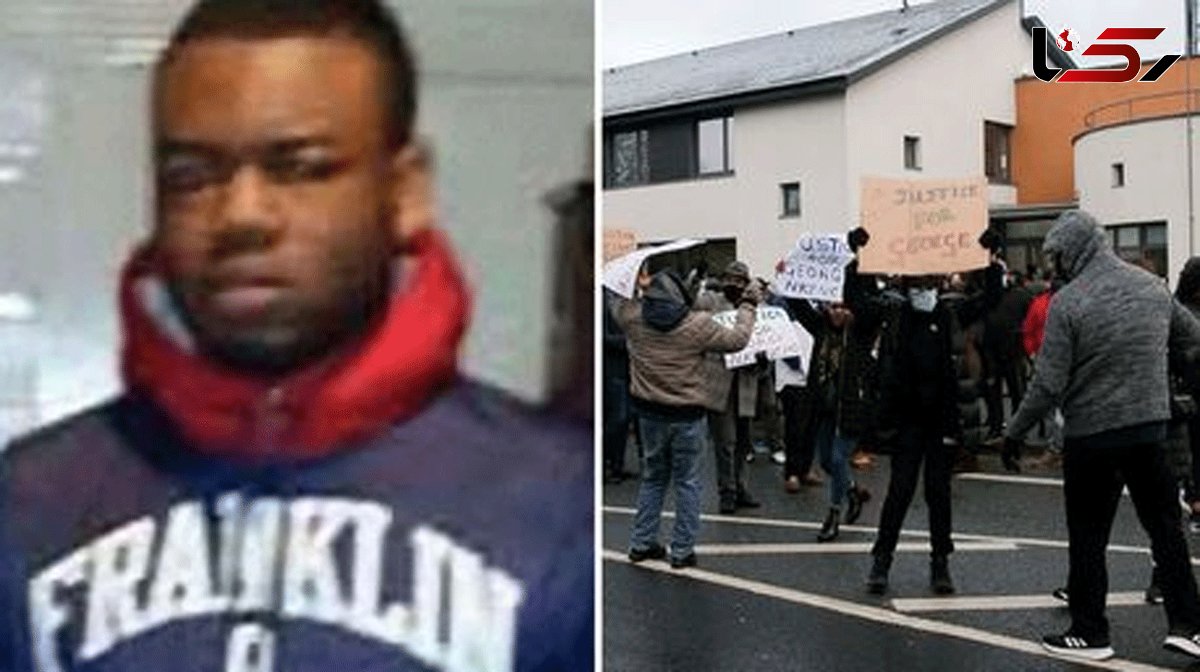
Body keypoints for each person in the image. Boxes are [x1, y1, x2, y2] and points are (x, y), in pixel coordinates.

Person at [0, 2, 593, 670]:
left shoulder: (571, 513)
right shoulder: (25, 507)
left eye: (301, 167)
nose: (242, 215)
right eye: (192, 176)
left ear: (405, 191)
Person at [1003, 210, 1200, 662]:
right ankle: (1189, 625)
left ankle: (1091, 633)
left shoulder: (1069, 303)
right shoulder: (1152, 287)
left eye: (1057, 255)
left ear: (1073, 251)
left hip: (1092, 437)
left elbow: (1048, 384)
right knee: (1166, 531)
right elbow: (1192, 336)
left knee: (1089, 537)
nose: (1054, 264)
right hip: (1149, 430)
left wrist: (1014, 433)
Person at [862, 228, 1004, 596]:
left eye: (929, 281)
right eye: (917, 282)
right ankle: (882, 561)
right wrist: (857, 252)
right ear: (907, 285)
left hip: (943, 419)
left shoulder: (952, 312)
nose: (923, 288)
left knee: (938, 494)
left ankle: (940, 563)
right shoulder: (895, 315)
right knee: (899, 492)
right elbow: (857, 299)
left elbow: (991, 296)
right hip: (907, 422)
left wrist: (990, 254)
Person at [614, 269, 758, 569]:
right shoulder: (697, 325)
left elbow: (614, 299)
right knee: (687, 483)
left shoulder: (632, 318)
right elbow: (739, 339)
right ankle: (681, 551)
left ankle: (641, 543)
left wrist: (629, 280)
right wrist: (748, 305)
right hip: (688, 415)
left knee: (653, 479)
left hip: (649, 413)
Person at [782, 243, 876, 542]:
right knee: (825, 461)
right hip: (822, 407)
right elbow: (797, 304)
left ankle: (833, 514)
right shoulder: (820, 328)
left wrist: (857, 260)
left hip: (849, 407)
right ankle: (852, 492)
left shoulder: (860, 333)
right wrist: (787, 275)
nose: (838, 312)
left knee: (836, 459)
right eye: (833, 307)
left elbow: (865, 299)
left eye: (843, 307)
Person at [696, 261, 764, 514]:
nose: (734, 285)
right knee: (726, 443)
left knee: (744, 444)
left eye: (739, 281)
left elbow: (767, 342)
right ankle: (727, 490)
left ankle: (741, 486)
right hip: (718, 384)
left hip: (745, 385)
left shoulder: (756, 310)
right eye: (730, 280)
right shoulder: (710, 303)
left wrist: (762, 362)